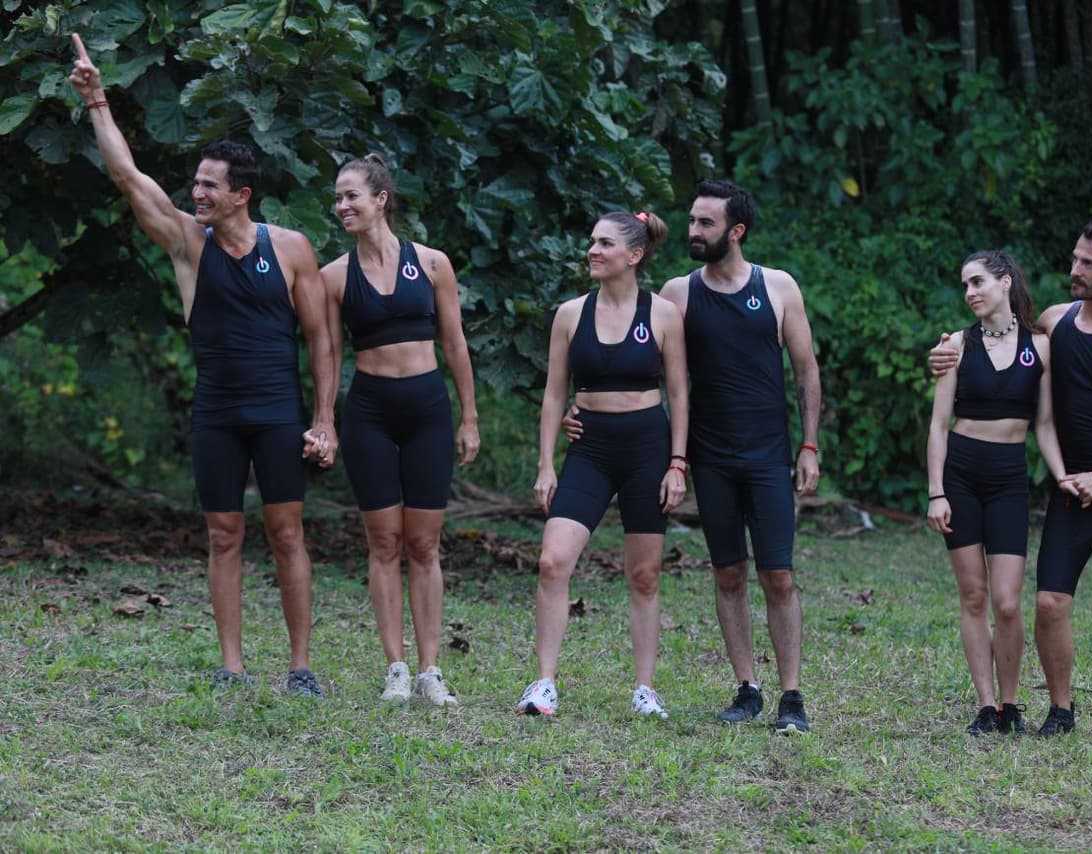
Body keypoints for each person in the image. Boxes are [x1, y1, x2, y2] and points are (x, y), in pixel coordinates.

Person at [69, 35, 337, 696]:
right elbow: (129, 178)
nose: (197, 194)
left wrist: (325, 419)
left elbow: (323, 340)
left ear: (242, 194)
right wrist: (97, 101)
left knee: (286, 533)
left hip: (278, 410)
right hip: (216, 409)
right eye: (195, 184)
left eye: (209, 186)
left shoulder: (293, 249)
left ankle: (300, 667)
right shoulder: (190, 244)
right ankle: (232, 666)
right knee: (222, 534)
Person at [566, 181, 821, 732]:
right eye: (690, 221)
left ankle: (792, 697)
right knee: (728, 572)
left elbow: (806, 370)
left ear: (737, 231)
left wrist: (809, 445)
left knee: (778, 574)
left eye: (706, 223)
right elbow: (631, 348)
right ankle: (748, 687)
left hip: (769, 455)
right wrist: (579, 409)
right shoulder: (679, 294)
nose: (694, 231)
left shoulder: (777, 288)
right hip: (710, 456)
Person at [930, 215, 1092, 745]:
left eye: (1088, 264)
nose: (1075, 269)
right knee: (1048, 602)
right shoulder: (1055, 323)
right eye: (1074, 258)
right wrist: (946, 352)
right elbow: (1004, 351)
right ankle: (1061, 710)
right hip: (1072, 485)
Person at [319, 154, 479, 705]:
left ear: (381, 199)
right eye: (338, 198)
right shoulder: (334, 277)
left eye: (351, 196)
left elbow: (455, 344)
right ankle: (396, 667)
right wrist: (324, 422)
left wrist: (470, 418)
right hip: (370, 413)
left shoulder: (433, 264)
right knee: (383, 542)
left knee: (424, 543)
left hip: (428, 409)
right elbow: (329, 355)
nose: (342, 206)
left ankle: (431, 670)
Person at [516, 211, 688, 719]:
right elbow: (553, 396)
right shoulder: (570, 314)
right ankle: (544, 683)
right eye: (591, 241)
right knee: (553, 561)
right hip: (589, 448)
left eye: (605, 243)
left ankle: (644, 688)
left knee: (644, 575)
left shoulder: (662, 315)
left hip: (646, 450)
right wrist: (545, 463)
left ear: (633, 256)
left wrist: (677, 463)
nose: (593, 250)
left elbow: (679, 394)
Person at [926, 250, 1074, 736]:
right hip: (962, 476)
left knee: (1008, 601)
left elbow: (1046, 425)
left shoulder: (1041, 345)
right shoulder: (956, 346)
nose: (969, 292)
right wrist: (936, 492)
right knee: (974, 595)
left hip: (1010, 477)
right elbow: (939, 425)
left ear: (1005, 282)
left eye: (978, 282)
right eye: (965, 284)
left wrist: (1062, 476)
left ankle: (1012, 704)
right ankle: (986, 706)